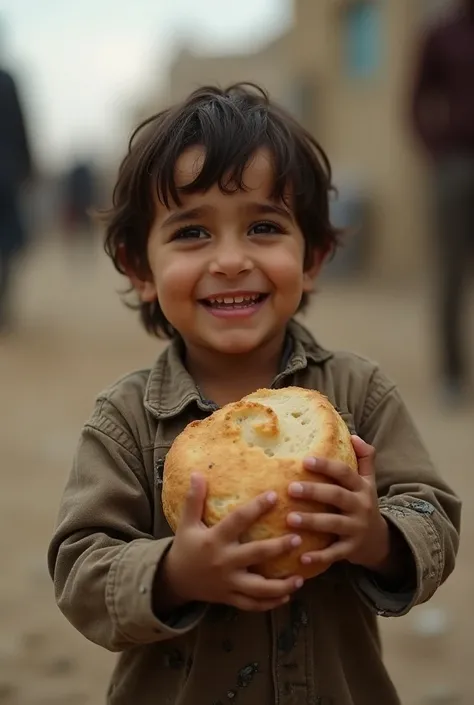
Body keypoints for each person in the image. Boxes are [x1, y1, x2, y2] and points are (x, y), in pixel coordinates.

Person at [48, 84, 461, 705]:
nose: (232, 259)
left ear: (314, 257)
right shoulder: (126, 421)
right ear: (141, 270)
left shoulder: (358, 393)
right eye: (192, 234)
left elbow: (433, 513)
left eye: (264, 226)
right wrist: (174, 573)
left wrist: (378, 536)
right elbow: (80, 567)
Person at [411, 0, 474, 404]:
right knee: (451, 273)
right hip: (456, 164)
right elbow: (415, 99)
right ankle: (452, 374)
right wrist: (436, 153)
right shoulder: (442, 33)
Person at [0, 35, 33, 330]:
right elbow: (22, 127)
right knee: (6, 243)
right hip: (5, 175)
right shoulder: (7, 80)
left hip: (6, 175)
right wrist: (27, 167)